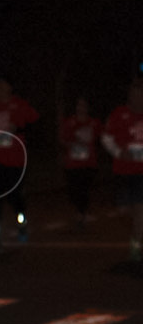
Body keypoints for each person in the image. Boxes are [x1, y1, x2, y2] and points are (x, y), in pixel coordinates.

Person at [0, 76, 39, 250]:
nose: (1, 89)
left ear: (10, 88)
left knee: (15, 198)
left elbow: (35, 123)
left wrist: (18, 128)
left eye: (4, 85)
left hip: (15, 161)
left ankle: (22, 223)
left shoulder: (20, 105)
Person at [102, 79, 143, 261]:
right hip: (122, 170)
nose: (137, 99)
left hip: (141, 173)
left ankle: (136, 245)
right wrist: (119, 152)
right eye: (134, 96)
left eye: (140, 96)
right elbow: (106, 138)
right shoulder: (119, 114)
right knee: (124, 211)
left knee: (140, 210)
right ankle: (137, 229)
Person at [60, 96, 102, 228]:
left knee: (84, 188)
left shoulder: (94, 123)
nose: (81, 108)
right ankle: (80, 211)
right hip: (73, 162)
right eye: (79, 105)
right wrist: (71, 144)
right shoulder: (69, 122)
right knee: (74, 189)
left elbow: (102, 137)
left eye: (84, 105)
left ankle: (82, 213)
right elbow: (63, 139)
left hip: (88, 162)